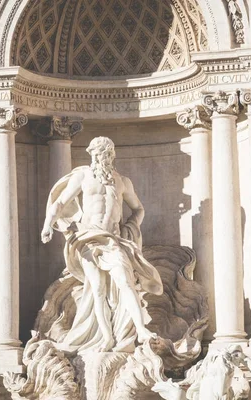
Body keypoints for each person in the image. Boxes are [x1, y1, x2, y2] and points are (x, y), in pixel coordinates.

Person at [41, 136, 162, 353]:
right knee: (96, 288)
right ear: (91, 154)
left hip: (113, 240)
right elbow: (60, 202)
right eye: (96, 153)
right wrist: (47, 225)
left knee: (125, 281)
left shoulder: (122, 181)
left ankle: (141, 330)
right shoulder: (83, 176)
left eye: (104, 153)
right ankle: (105, 337)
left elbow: (139, 209)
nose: (100, 157)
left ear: (111, 155)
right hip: (87, 237)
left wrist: (131, 227)